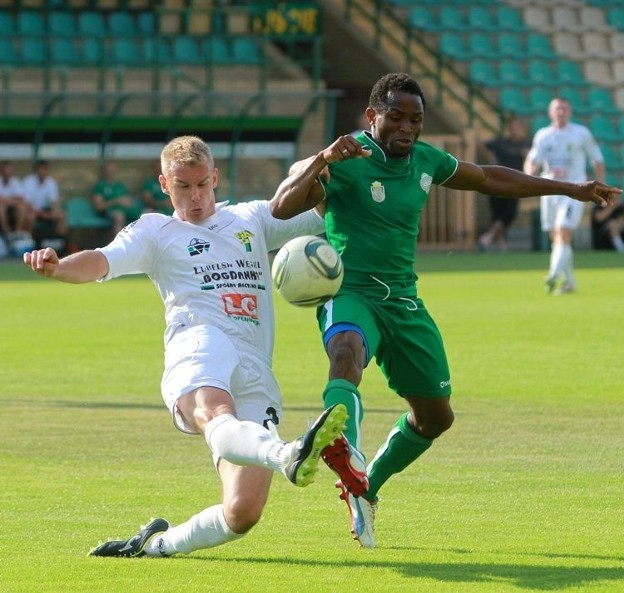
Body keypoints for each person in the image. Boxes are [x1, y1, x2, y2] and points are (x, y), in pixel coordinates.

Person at [275, 73, 622, 548]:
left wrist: (569, 189)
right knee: (346, 353)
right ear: (372, 116)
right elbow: (280, 207)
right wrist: (321, 159)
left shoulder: (426, 160)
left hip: (403, 299)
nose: (406, 128)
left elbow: (489, 178)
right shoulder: (346, 158)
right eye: (395, 117)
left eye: (415, 120)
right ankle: (346, 453)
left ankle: (367, 487)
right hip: (350, 290)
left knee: (436, 417)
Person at [22, 135, 367, 558]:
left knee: (242, 513)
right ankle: (286, 453)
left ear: (215, 178)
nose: (196, 196)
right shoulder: (155, 230)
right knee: (215, 411)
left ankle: (153, 546)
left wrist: (322, 164)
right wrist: (59, 267)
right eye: (183, 186)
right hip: (200, 342)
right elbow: (100, 260)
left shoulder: (251, 219)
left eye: (203, 184)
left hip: (255, 360)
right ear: (164, 185)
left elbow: (317, 209)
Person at [524, 98, 606, 294]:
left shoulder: (580, 133)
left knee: (563, 232)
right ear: (550, 112)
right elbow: (532, 160)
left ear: (569, 112)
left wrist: (601, 187)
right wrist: (527, 178)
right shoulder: (544, 135)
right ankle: (569, 282)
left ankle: (552, 275)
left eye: (564, 109)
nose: (560, 112)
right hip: (550, 190)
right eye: (557, 109)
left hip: (573, 190)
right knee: (557, 237)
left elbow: (597, 159)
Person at [476, 116, 532, 252]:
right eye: (513, 127)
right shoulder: (500, 142)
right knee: (498, 213)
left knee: (509, 214)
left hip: (515, 184)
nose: (515, 130)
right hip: (496, 181)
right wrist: (491, 157)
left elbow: (533, 158)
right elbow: (480, 145)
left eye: (518, 127)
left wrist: (527, 156)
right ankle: (500, 242)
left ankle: (487, 237)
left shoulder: (525, 144)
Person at [21, 159, 68, 252]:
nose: (42, 172)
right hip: (33, 211)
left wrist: (53, 212)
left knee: (62, 216)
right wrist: (42, 214)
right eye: (40, 169)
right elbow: (27, 203)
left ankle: (61, 244)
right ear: (36, 170)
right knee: (30, 217)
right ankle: (29, 246)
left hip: (46, 210)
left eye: (44, 169)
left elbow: (54, 202)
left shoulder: (51, 182)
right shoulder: (28, 181)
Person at [91, 161, 143, 237]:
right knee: (119, 215)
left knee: (146, 213)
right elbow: (100, 207)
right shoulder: (100, 186)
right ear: (104, 171)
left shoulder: (120, 185)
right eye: (109, 170)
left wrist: (128, 202)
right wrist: (117, 201)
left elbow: (128, 200)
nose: (111, 172)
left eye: (112, 170)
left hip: (125, 209)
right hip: (109, 211)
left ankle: (141, 242)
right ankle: (119, 245)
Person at [0, 160, 28, 241]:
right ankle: (7, 234)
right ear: (2, 171)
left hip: (12, 208)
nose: (7, 173)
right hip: (3, 209)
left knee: (22, 208)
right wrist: (11, 200)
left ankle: (17, 233)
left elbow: (20, 199)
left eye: (9, 170)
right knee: (1, 209)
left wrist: (6, 200)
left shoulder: (15, 181)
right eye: (5, 170)